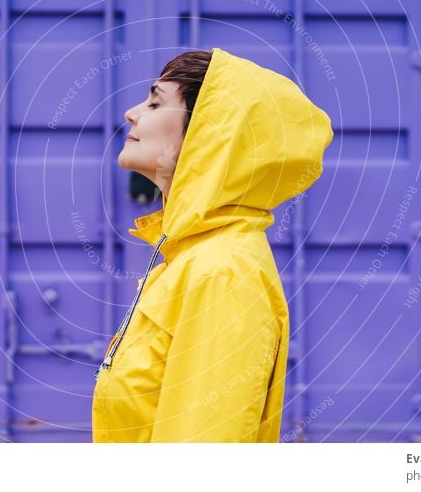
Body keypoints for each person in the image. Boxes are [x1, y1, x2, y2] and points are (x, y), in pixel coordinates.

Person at [91, 47, 333, 442]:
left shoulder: (222, 272)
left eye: (155, 102)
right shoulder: (189, 258)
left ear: (208, 135)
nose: (132, 113)